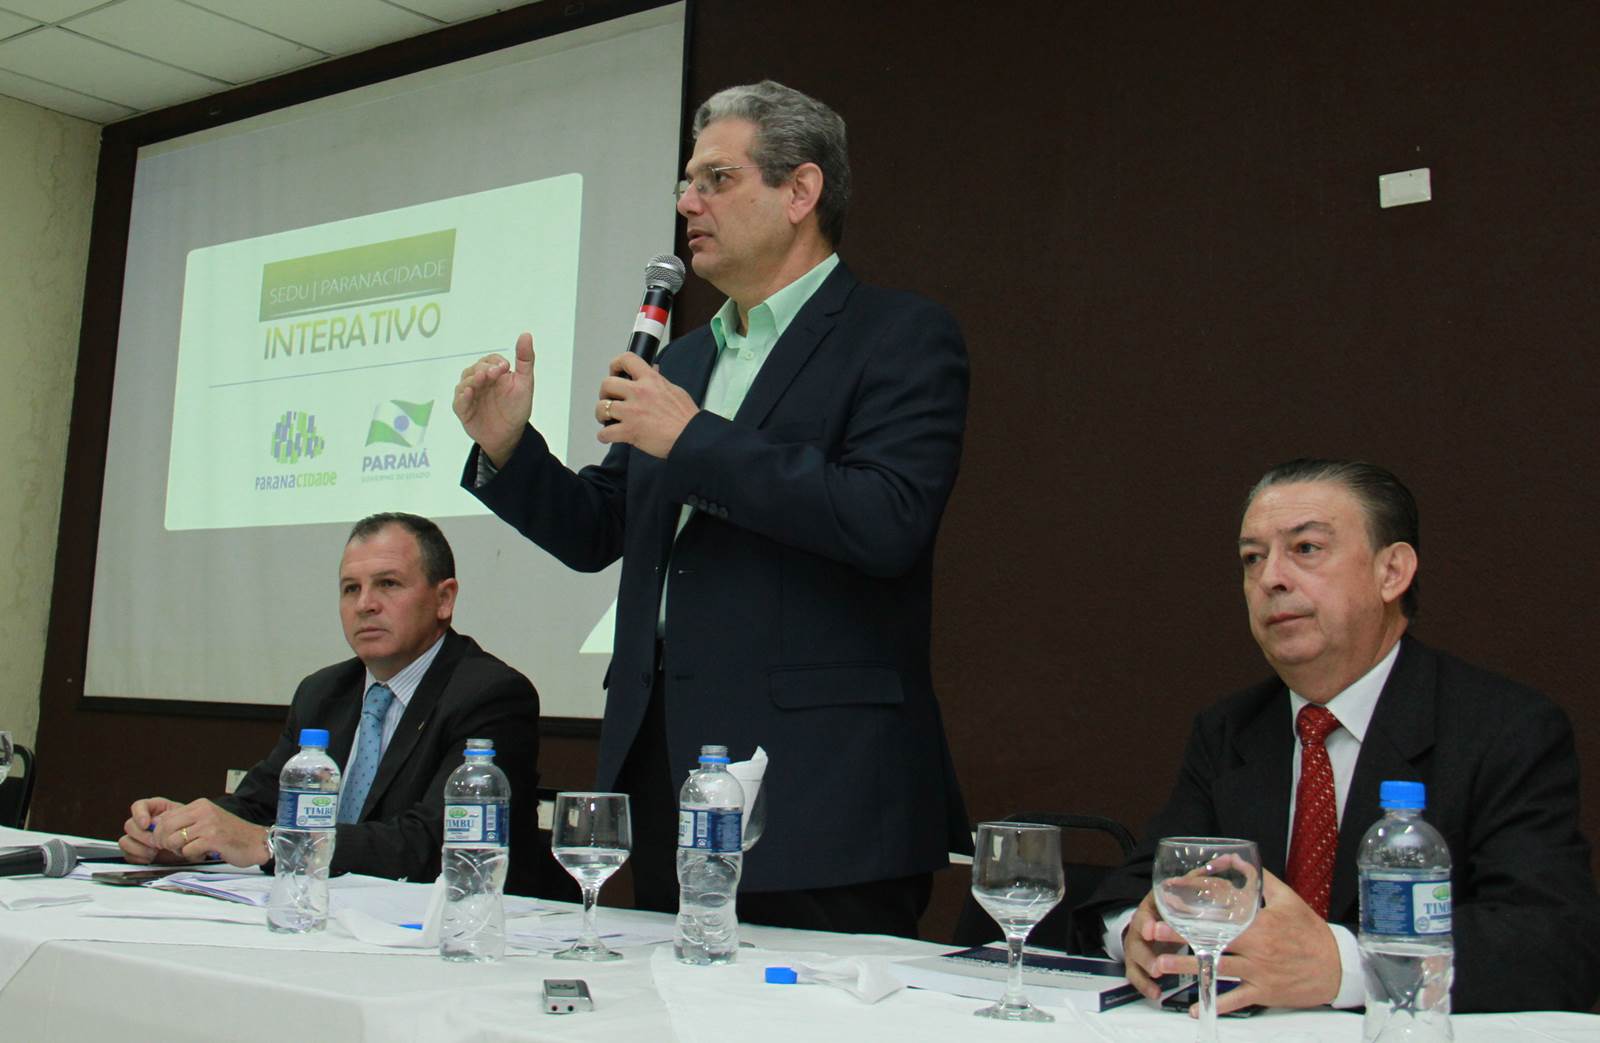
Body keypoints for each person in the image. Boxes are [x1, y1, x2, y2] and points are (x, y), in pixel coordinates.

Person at [453, 80, 970, 936]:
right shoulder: (685, 360)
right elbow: (601, 527)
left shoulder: (898, 335)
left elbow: (886, 518)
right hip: (668, 777)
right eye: (685, 185)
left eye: (717, 180)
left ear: (800, 191)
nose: (688, 204)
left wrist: (691, 437)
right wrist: (510, 450)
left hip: (821, 794)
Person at [1073, 459, 1600, 1013]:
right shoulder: (1231, 729)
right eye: (1253, 558)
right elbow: (1139, 885)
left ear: (1391, 572)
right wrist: (1142, 932)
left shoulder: (1502, 728)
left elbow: (1555, 942)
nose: (1271, 578)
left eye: (1306, 549)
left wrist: (1346, 964)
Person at [117, 513, 544, 894]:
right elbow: (258, 804)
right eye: (350, 589)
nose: (365, 605)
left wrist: (270, 843)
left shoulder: (490, 695)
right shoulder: (323, 691)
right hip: (325, 909)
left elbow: (432, 844)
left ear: (444, 599)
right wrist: (184, 831)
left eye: (388, 584)